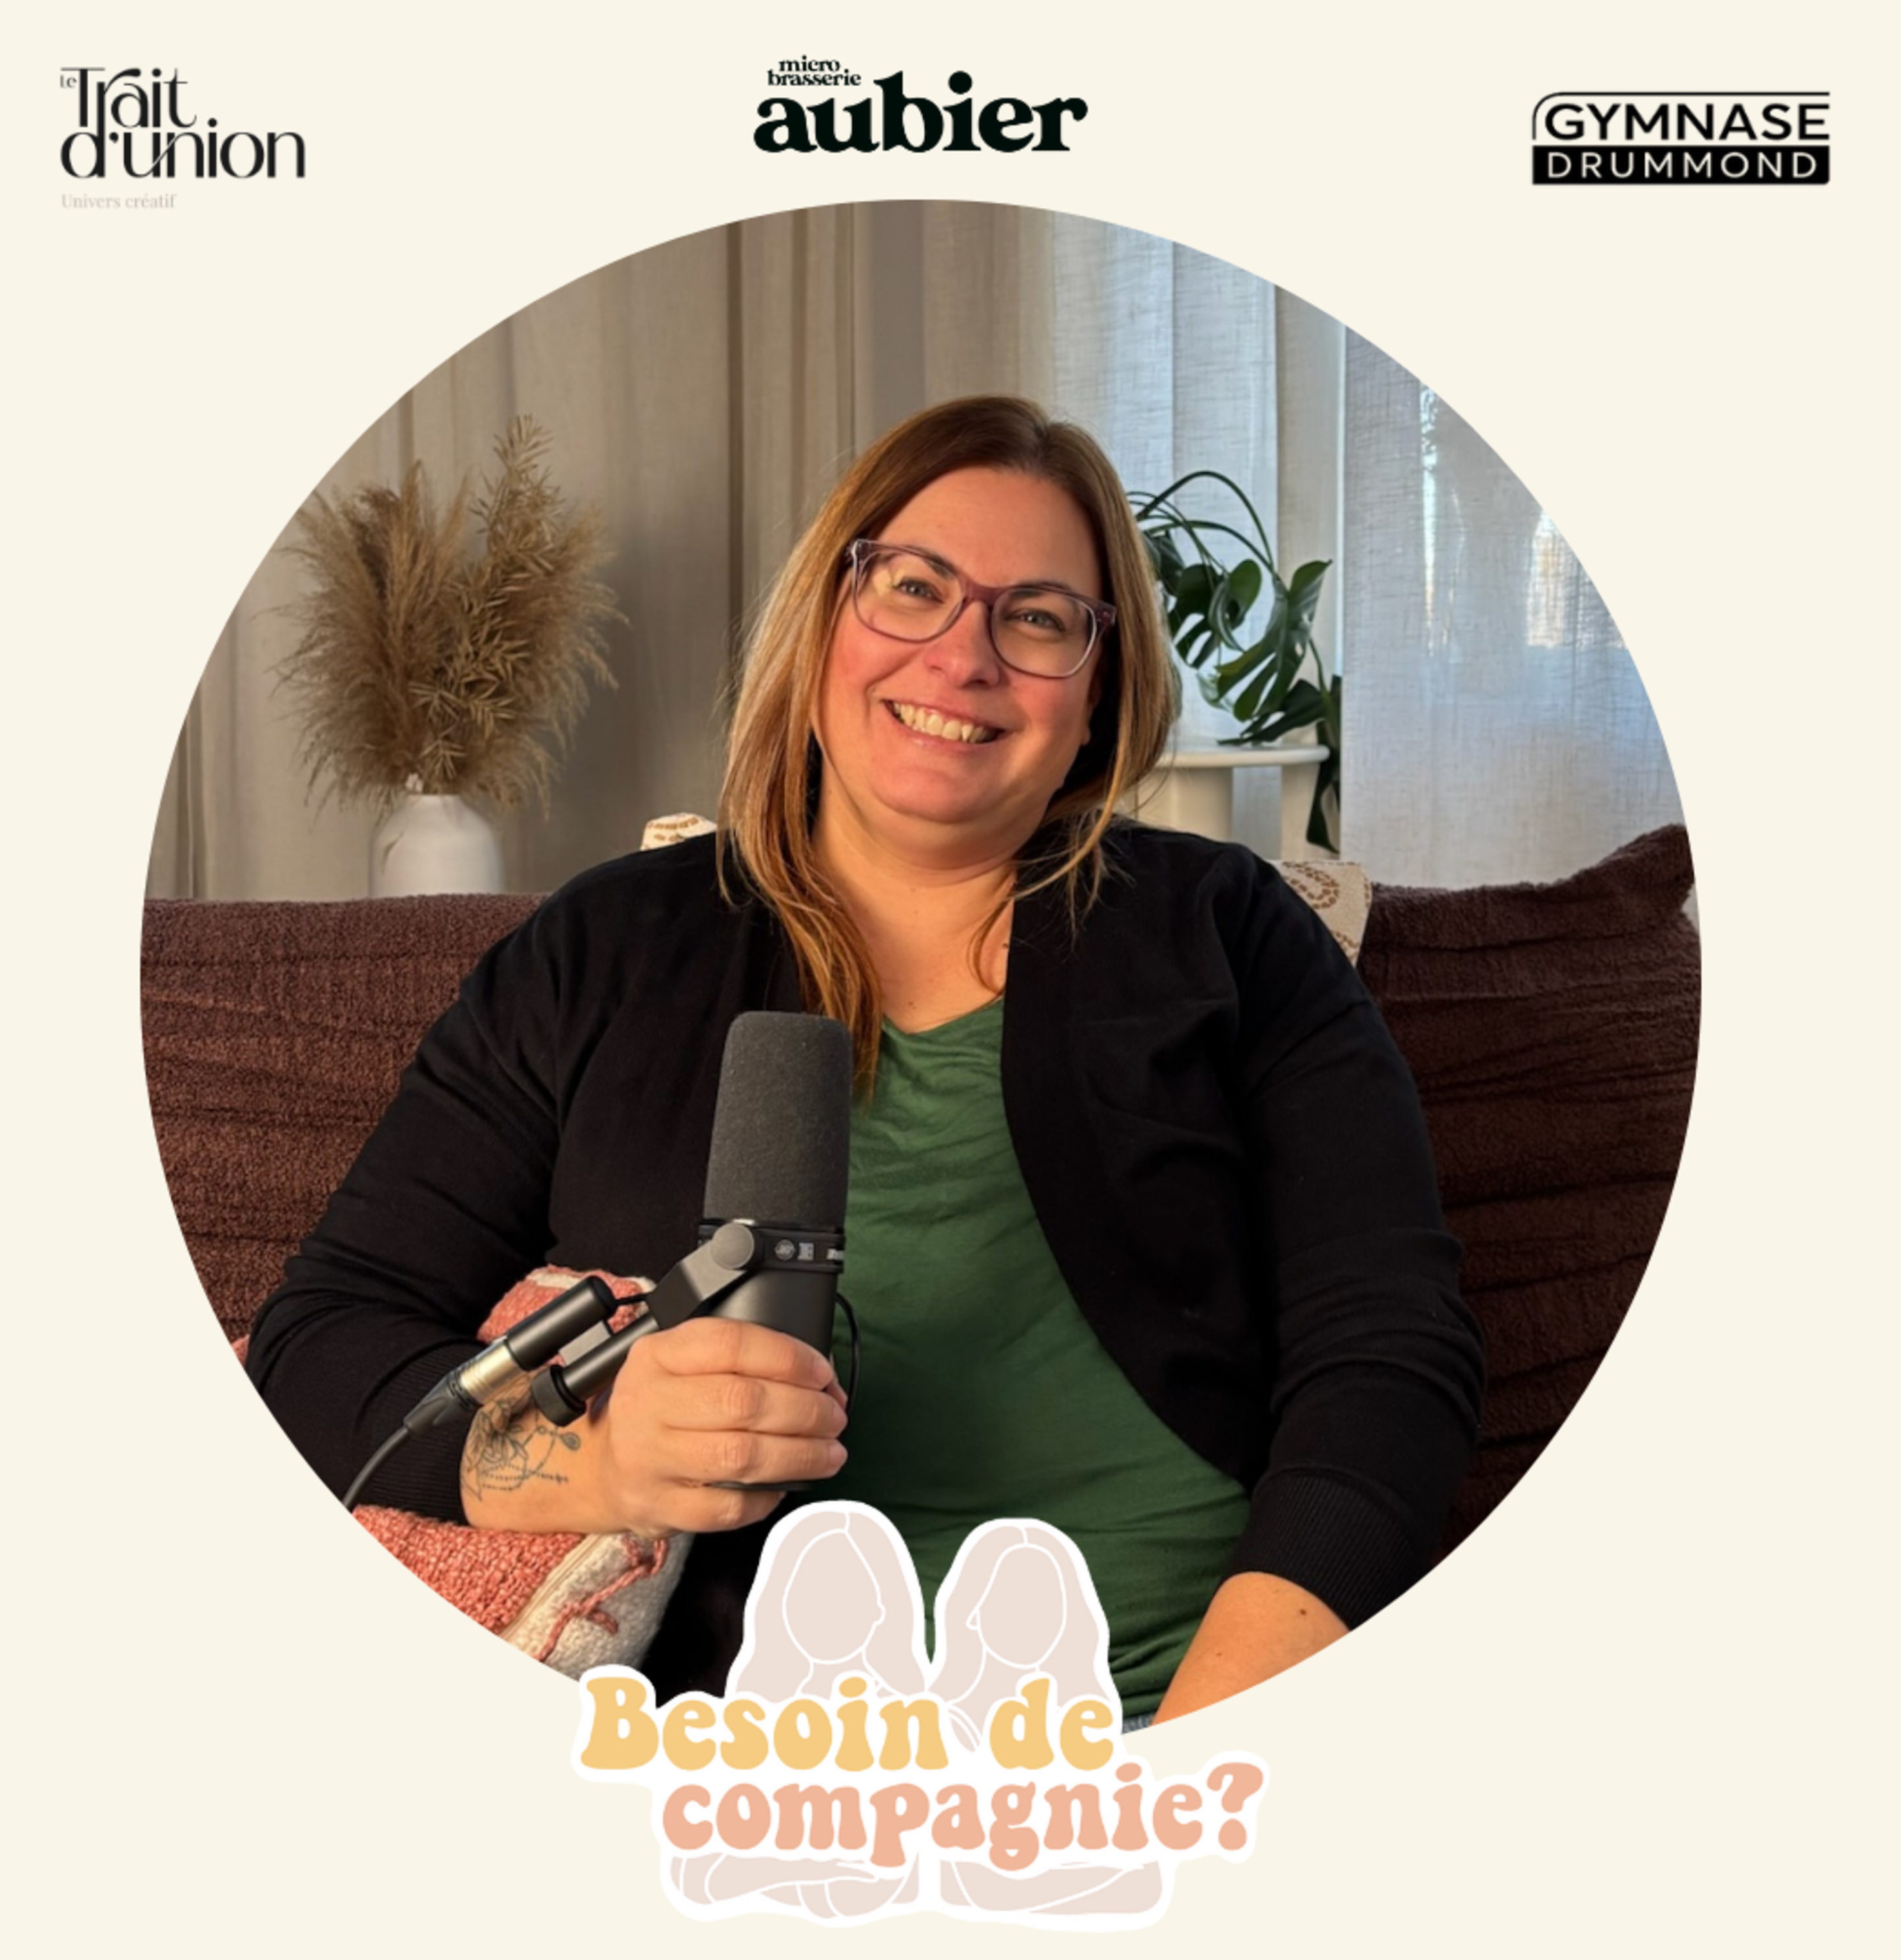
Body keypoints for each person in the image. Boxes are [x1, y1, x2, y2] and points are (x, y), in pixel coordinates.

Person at [246, 395, 1484, 1723]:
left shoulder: (1230, 934)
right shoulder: (599, 952)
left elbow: (1391, 1356)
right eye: (913, 586)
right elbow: (317, 1346)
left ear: (1096, 698)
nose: (964, 656)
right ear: (824, 619)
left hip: (1177, 1715)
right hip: (746, 1757)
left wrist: (1204, 1753)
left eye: (1039, 618)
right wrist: (589, 1462)